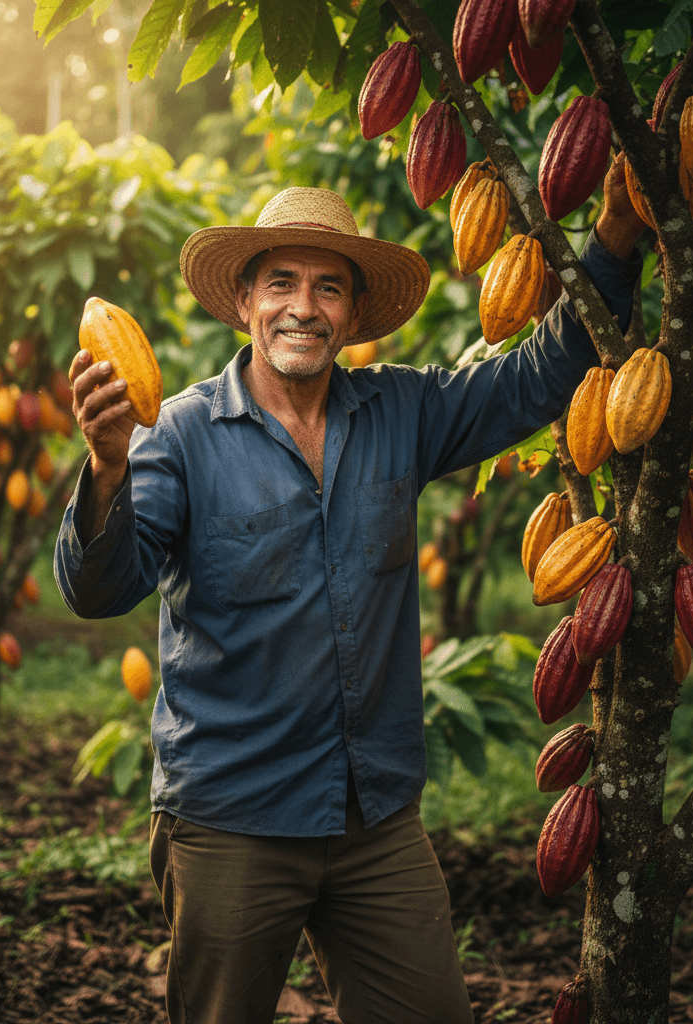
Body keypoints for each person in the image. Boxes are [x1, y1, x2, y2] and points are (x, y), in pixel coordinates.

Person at [54, 158, 645, 1024]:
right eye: (283, 283)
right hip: (232, 820)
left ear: (354, 314)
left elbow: (532, 379)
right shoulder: (180, 433)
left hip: (373, 820)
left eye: (329, 288)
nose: (304, 306)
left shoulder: (399, 413)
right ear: (246, 302)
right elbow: (100, 590)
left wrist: (618, 237)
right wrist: (107, 467)